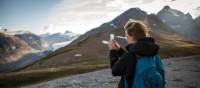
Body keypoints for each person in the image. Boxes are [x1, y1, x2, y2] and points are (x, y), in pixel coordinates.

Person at [108, 19, 165, 88]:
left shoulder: (129, 56)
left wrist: (113, 51)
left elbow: (115, 71)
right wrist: (120, 50)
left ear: (131, 36)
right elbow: (133, 60)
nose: (126, 38)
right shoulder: (153, 53)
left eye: (126, 35)